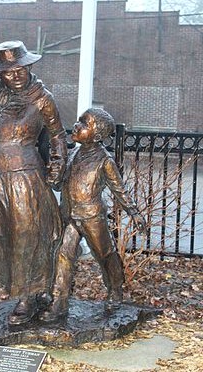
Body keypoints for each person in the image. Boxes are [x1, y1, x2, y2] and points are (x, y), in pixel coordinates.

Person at [0, 40, 67, 326]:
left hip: (24, 176)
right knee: (0, 236)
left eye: (19, 69)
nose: (15, 75)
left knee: (28, 234)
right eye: (7, 72)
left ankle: (31, 294)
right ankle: (18, 289)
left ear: (29, 66)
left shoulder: (42, 98)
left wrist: (57, 165)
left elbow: (58, 136)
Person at [40, 108, 146, 322]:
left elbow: (119, 189)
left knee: (105, 255)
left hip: (92, 217)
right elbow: (62, 186)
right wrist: (53, 179)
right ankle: (59, 302)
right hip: (70, 216)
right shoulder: (72, 155)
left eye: (84, 123)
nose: (77, 126)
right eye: (79, 121)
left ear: (97, 136)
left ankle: (115, 289)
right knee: (63, 255)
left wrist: (134, 213)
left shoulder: (104, 161)